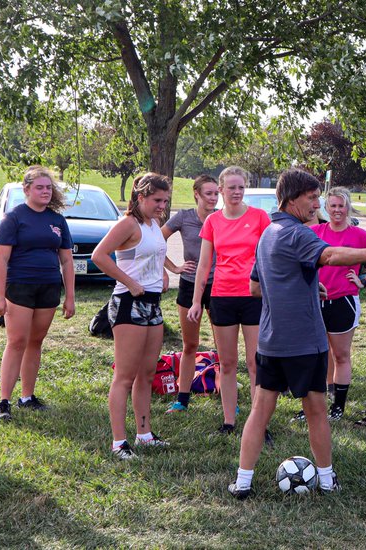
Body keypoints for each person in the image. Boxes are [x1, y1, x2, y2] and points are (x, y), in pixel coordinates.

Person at [228, 169, 366, 499]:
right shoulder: (297, 233)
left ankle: (243, 482)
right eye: (312, 197)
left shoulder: (269, 232)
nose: (317, 203)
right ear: (292, 200)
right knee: (317, 411)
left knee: (260, 410)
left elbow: (254, 287)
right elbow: (331, 254)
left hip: (271, 341)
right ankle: (325, 480)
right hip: (305, 342)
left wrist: (302, 290)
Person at [293, 187, 366, 422]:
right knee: (316, 355)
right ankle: (312, 405)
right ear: (325, 208)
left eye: (341, 206)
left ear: (348, 207)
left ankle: (338, 407)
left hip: (343, 301)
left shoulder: (358, 235)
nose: (337, 210)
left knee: (340, 355)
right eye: (333, 206)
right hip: (315, 301)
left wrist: (365, 281)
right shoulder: (314, 231)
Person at [92, 173, 172, 460]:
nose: (162, 205)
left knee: (147, 374)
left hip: (153, 303)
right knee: (124, 377)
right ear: (141, 198)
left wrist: (163, 271)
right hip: (129, 303)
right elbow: (99, 256)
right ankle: (119, 442)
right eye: (157, 200)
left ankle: (144, 435)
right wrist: (130, 282)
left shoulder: (154, 223)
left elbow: (154, 255)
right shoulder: (128, 223)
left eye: (165, 200)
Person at [188, 166, 270, 435]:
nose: (236, 192)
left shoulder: (259, 217)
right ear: (220, 190)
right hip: (222, 296)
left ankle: (260, 424)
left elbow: (271, 256)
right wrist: (197, 301)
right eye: (231, 187)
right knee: (228, 363)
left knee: (256, 362)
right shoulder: (212, 222)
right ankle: (229, 422)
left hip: (253, 296)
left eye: (241, 187)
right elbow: (203, 265)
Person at [0, 166, 76, 421]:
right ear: (26, 189)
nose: (45, 191)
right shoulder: (14, 218)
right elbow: (1, 260)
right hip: (20, 287)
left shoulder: (57, 220)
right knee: (17, 341)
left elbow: (67, 261)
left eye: (49, 187)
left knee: (35, 342)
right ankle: (4, 401)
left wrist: (70, 296)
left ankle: (27, 397)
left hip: (49, 287)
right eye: (39, 187)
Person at [162, 174, 220, 414]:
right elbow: (156, 240)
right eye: (209, 193)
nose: (214, 198)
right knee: (190, 345)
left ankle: (228, 398)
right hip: (189, 284)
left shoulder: (222, 218)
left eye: (217, 193)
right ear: (196, 194)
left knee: (223, 348)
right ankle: (182, 399)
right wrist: (173, 268)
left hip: (219, 285)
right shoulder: (184, 217)